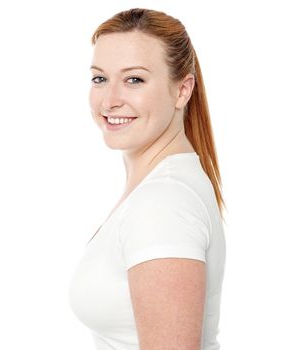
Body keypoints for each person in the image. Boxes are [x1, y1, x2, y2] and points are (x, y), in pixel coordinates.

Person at [68, 8, 226, 350]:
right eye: (99, 78)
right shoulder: (163, 187)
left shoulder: (163, 204)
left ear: (182, 90)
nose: (109, 101)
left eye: (134, 79)